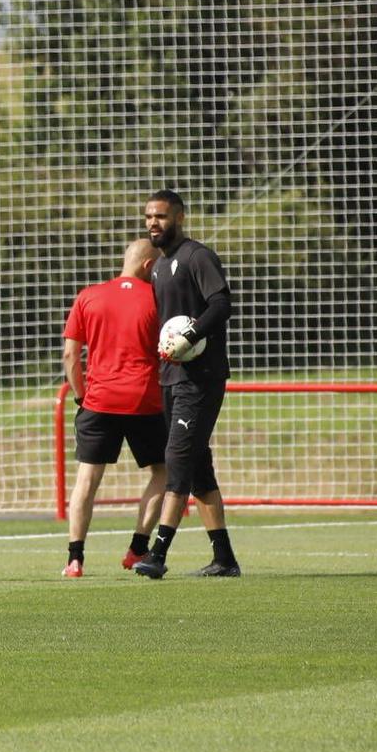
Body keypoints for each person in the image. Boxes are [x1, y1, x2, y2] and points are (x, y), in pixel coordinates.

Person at [134, 188, 241, 579]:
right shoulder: (159, 266)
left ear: (179, 217)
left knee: (177, 461)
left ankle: (157, 554)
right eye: (148, 217)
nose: (152, 223)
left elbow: (221, 304)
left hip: (201, 378)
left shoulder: (197, 257)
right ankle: (224, 559)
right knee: (198, 470)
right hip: (172, 376)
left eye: (160, 216)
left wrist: (192, 334)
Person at [61, 237, 171, 577]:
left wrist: (81, 394)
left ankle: (75, 559)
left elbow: (70, 355)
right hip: (145, 400)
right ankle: (137, 548)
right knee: (163, 472)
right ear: (149, 266)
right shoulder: (158, 298)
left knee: (87, 480)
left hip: (99, 400)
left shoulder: (88, 296)